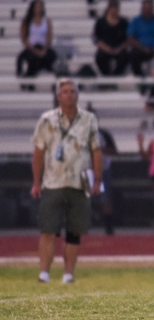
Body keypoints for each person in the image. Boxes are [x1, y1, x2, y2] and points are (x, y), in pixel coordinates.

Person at [31, 78, 102, 284]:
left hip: (79, 181)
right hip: (52, 181)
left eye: (73, 91)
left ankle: (68, 273)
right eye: (65, 91)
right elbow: (38, 152)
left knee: (75, 230)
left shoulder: (88, 119)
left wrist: (97, 180)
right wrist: (36, 182)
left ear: (78, 95)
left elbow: (96, 150)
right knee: (48, 229)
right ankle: (44, 272)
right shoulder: (47, 120)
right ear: (58, 96)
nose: (70, 95)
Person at [87, 104, 118, 235]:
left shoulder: (103, 134)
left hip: (103, 170)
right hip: (88, 170)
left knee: (105, 200)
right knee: (85, 200)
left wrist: (99, 150)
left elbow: (113, 151)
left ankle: (108, 228)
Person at [127, 0, 154, 76]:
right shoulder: (136, 21)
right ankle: (140, 80)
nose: (146, 11)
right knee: (133, 55)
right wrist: (142, 47)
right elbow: (130, 38)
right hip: (142, 49)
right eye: (144, 8)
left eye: (148, 8)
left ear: (153, 9)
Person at [16, 0, 57, 78]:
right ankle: (28, 79)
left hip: (43, 47)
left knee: (51, 56)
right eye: (37, 6)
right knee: (32, 58)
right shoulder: (27, 21)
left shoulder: (47, 21)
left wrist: (44, 49)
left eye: (40, 6)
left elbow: (49, 37)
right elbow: (24, 39)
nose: (39, 8)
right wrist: (35, 50)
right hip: (31, 48)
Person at [93, 0, 130, 76]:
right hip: (105, 48)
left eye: (115, 9)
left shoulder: (124, 22)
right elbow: (97, 38)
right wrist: (107, 49)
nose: (114, 12)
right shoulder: (101, 22)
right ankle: (107, 76)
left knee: (125, 57)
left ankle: (116, 76)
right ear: (108, 9)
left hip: (119, 49)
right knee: (100, 58)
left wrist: (119, 49)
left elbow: (128, 39)